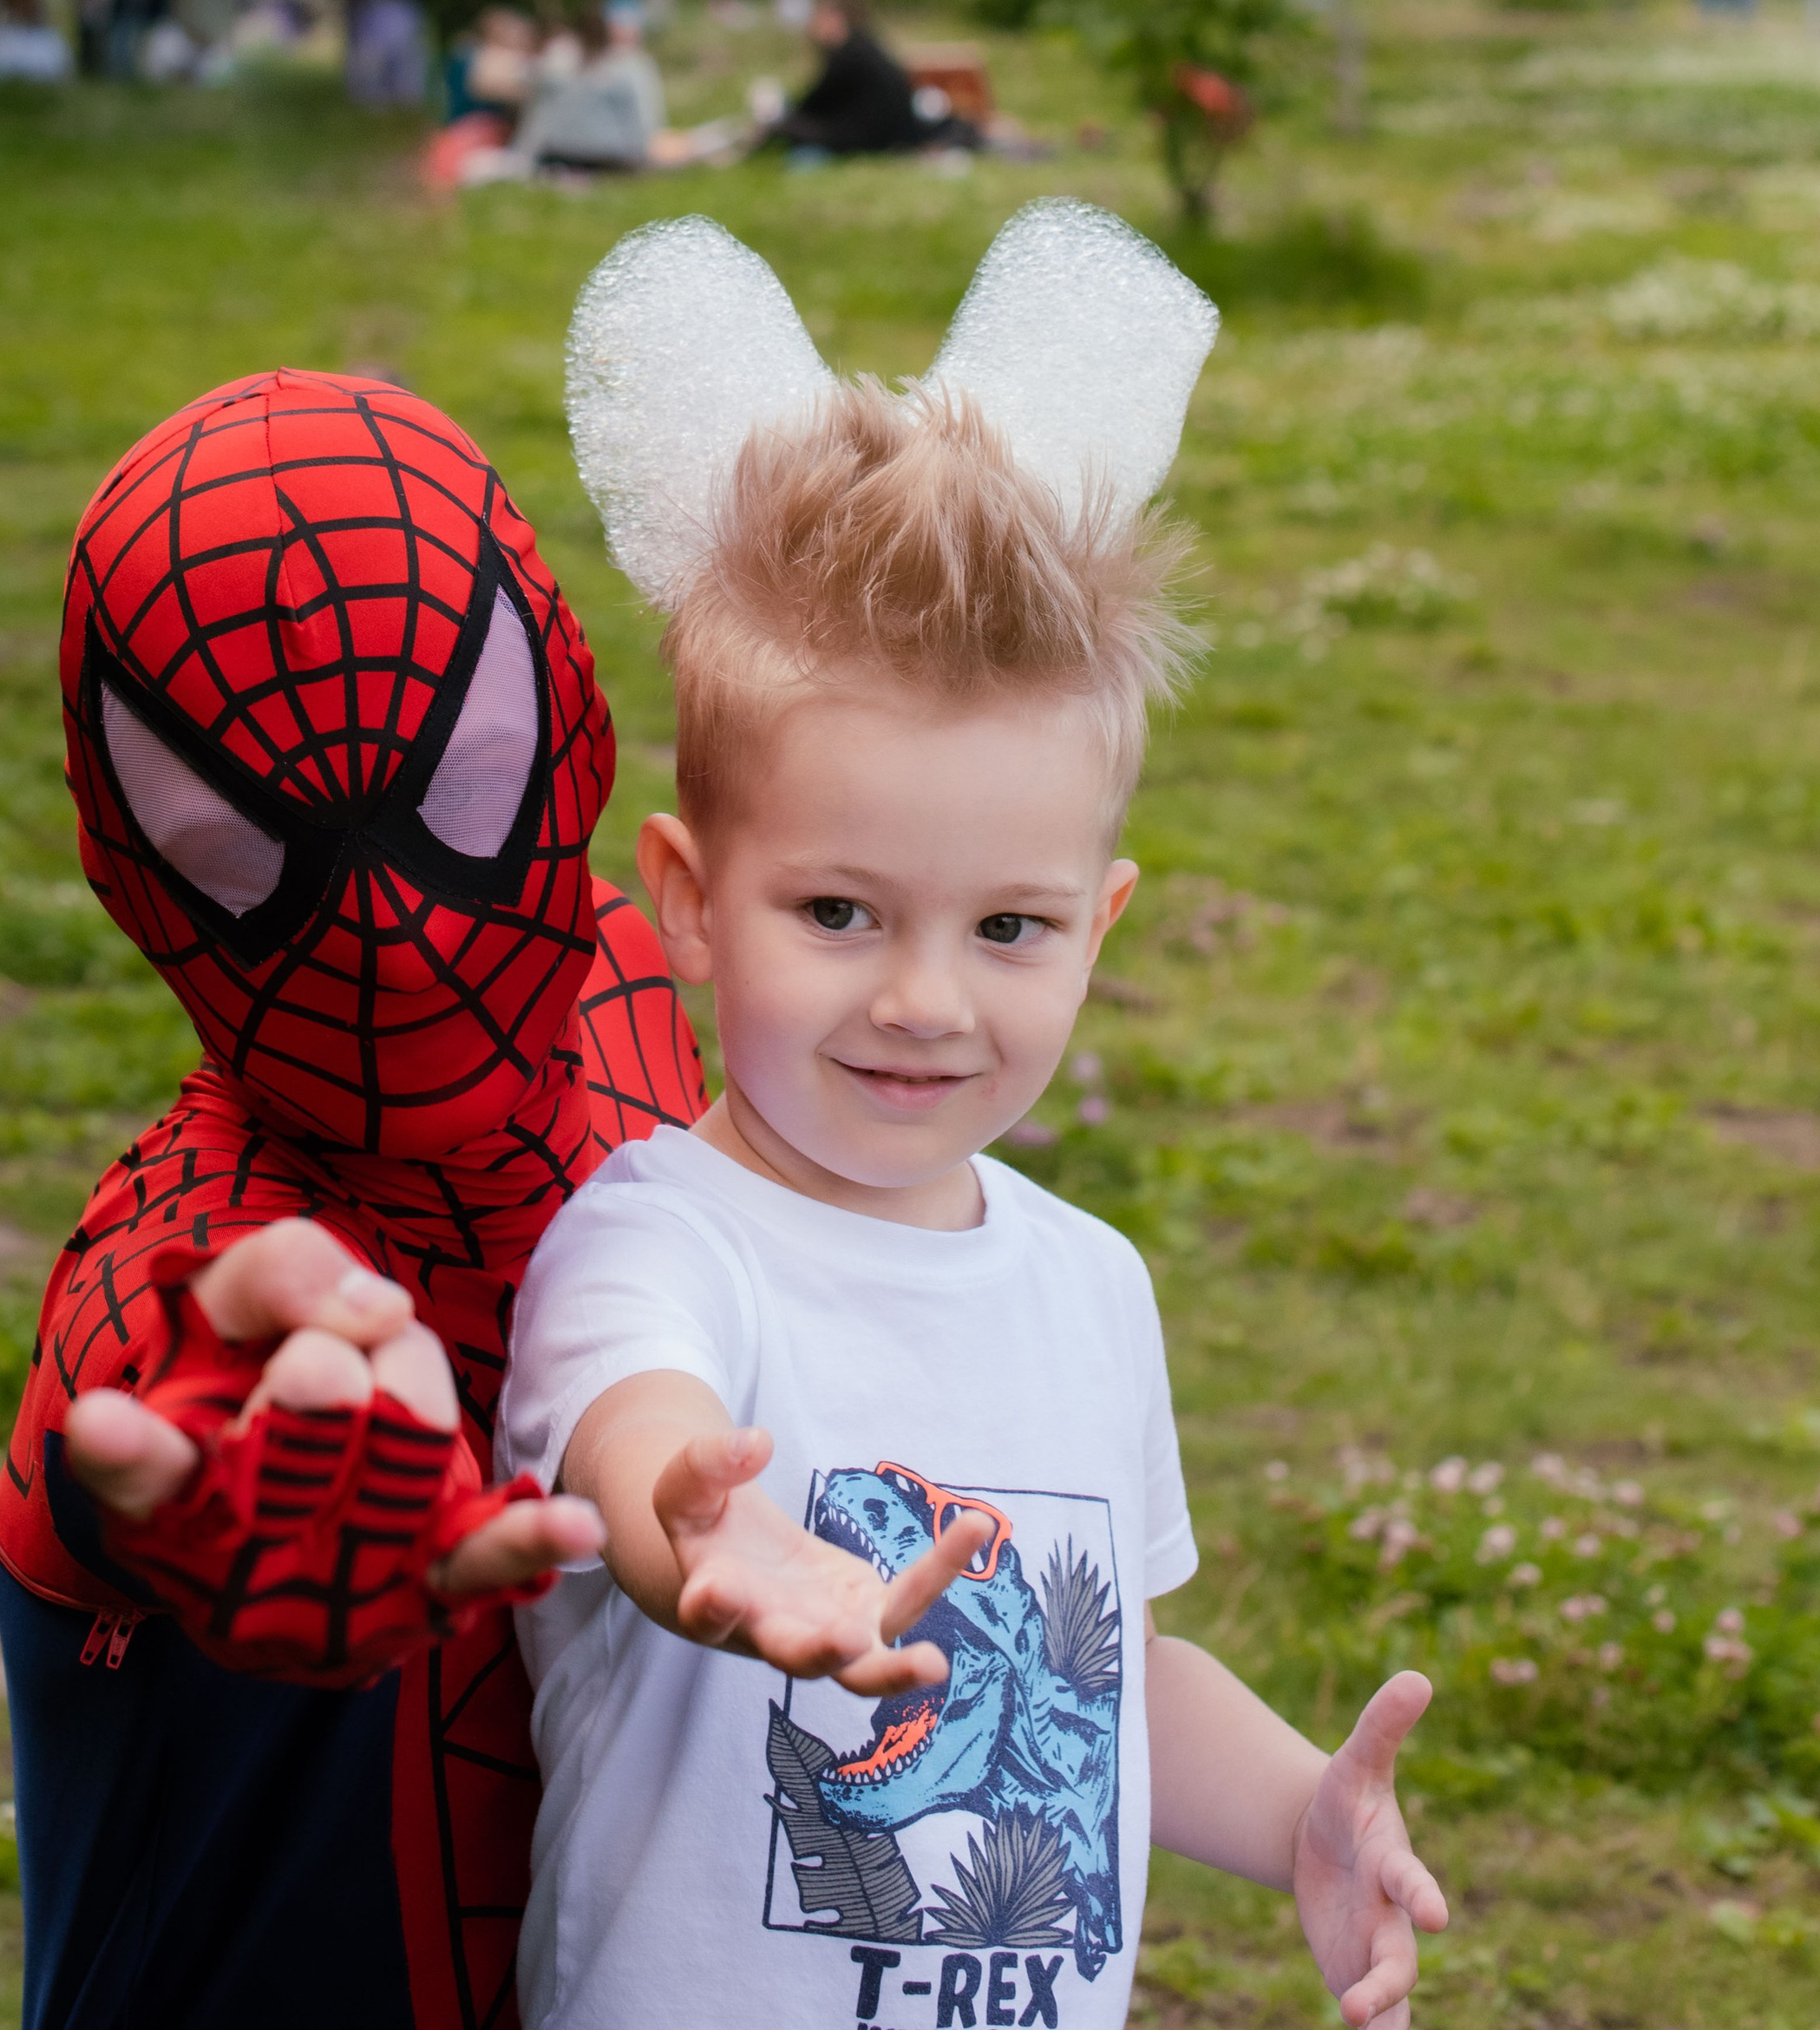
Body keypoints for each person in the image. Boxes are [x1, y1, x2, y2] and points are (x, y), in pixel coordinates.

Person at [501, 204, 1449, 2030]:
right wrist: (698, 1526)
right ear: (691, 901)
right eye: (836, 912)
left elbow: (1109, 1691)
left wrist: (1294, 1819)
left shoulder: (1090, 1288)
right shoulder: (654, 1237)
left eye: (1005, 927)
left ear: (1095, 927)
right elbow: (636, 1432)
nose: (924, 999)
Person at [0, 369, 704, 2030]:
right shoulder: (193, 1246)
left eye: (458, 792)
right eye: (245, 854)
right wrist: (226, 1472)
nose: (391, 932)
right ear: (134, 866)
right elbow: (148, 1371)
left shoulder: (621, 977)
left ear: (567, 711)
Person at [770, 0, 937, 158]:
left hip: (872, 136)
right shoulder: (863, 44)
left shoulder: (848, 55)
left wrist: (785, 116)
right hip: (891, 131)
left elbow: (819, 99)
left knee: (788, 126)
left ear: (835, 19)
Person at [514, 0, 667, 174]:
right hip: (609, 159)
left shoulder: (555, 60)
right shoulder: (630, 65)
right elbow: (645, 120)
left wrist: (523, 155)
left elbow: (536, 114)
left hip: (555, 155)